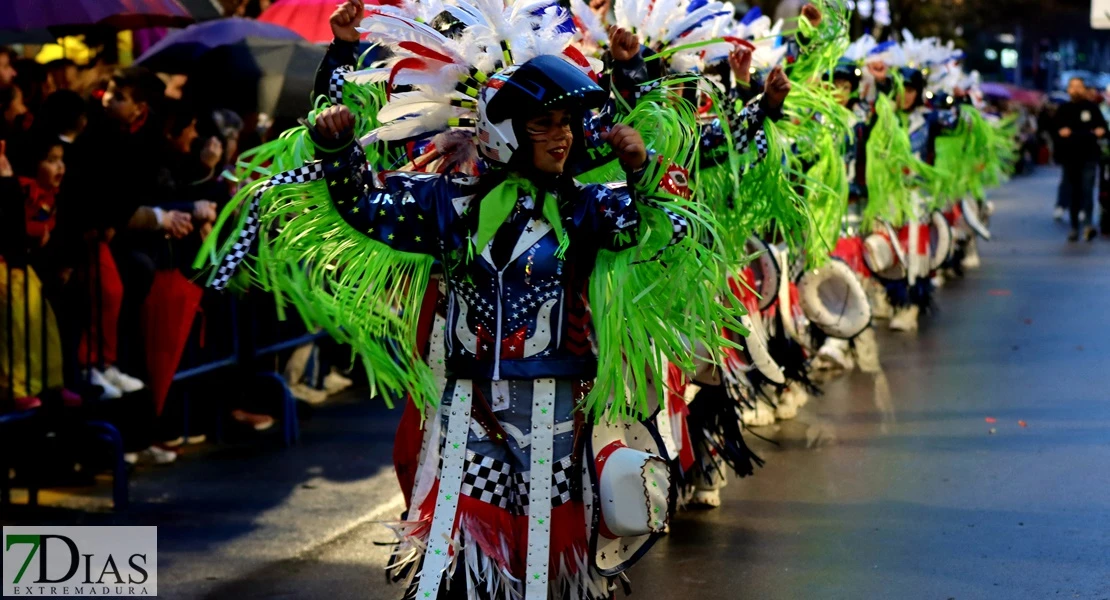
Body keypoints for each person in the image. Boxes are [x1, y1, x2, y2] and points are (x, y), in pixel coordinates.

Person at [1054, 77, 1106, 241]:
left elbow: (1103, 128)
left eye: (1079, 86)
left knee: (1087, 190)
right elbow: (1055, 129)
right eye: (1072, 86)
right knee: (1074, 192)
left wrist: (1100, 131)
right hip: (1070, 157)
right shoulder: (1063, 109)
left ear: (1084, 89)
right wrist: (1062, 134)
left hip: (1089, 156)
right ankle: (1074, 226)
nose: (1075, 90)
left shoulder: (1092, 108)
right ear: (1068, 89)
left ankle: (1088, 224)